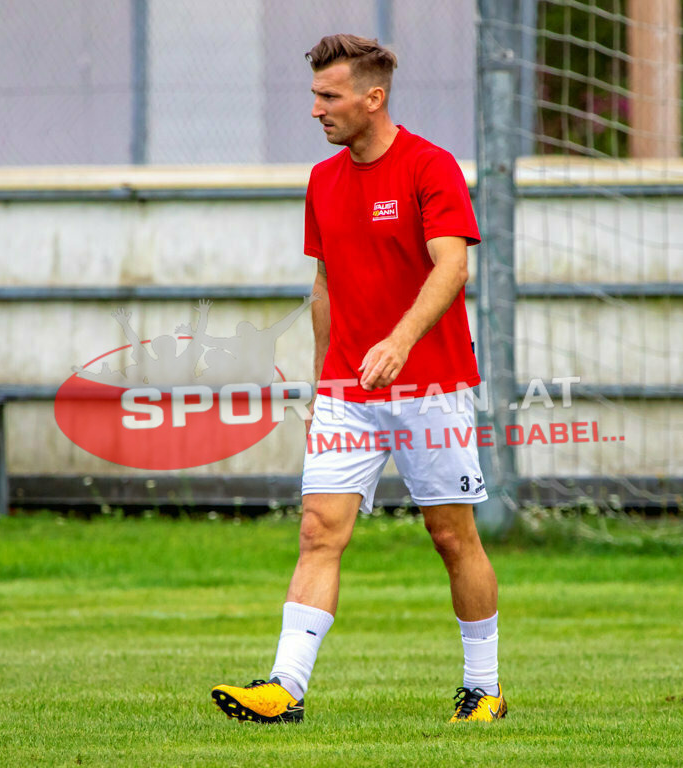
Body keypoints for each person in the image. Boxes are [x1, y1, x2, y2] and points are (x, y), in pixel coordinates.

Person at [211, 33, 505, 724]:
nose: (316, 109)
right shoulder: (322, 181)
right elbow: (323, 286)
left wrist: (400, 341)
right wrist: (321, 388)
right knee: (319, 531)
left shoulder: (430, 167)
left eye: (329, 95)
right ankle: (285, 689)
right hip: (348, 394)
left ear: (373, 99)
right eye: (314, 95)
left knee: (451, 536)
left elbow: (452, 267)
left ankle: (484, 687)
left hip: (430, 388)